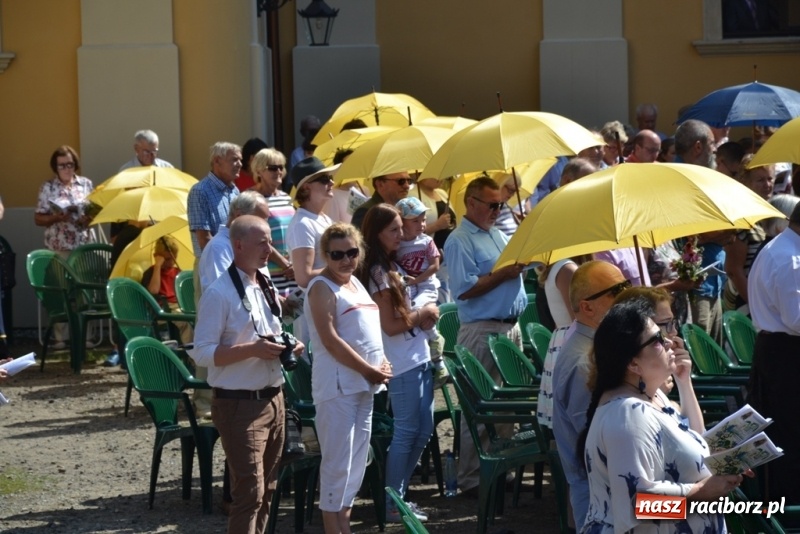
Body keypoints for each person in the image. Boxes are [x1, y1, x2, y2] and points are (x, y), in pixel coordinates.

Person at [579, 299, 743, 533]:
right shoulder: (628, 414)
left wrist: (684, 382)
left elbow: (696, 441)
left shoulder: (653, 398)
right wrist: (703, 491)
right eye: (657, 339)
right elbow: (640, 506)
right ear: (633, 363)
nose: (669, 341)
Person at [191, 214, 304, 534]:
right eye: (263, 242)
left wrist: (286, 344)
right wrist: (252, 350)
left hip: (274, 397)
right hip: (239, 404)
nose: (271, 248)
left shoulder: (263, 282)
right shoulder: (219, 292)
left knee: (268, 490)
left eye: (270, 240)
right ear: (238, 245)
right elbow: (202, 353)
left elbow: (267, 333)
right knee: (249, 494)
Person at [305, 223, 392, 534]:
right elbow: (329, 340)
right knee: (337, 464)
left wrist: (380, 364)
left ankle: (344, 527)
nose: (346, 259)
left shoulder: (355, 282)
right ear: (325, 256)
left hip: (364, 386)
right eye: (337, 254)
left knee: (356, 465)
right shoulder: (321, 287)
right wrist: (369, 369)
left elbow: (366, 334)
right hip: (338, 386)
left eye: (352, 252)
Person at [443, 176, 527, 497]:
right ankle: (472, 478)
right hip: (483, 328)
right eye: (491, 205)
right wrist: (504, 273)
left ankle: (497, 469)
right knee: (481, 407)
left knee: (504, 407)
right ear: (471, 203)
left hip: (507, 326)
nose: (496, 210)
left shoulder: (497, 233)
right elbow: (464, 290)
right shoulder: (459, 239)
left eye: (500, 205)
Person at [357, 203, 437, 523]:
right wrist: (423, 314)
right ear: (376, 234)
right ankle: (393, 504)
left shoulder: (389, 264)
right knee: (407, 432)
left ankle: (399, 499)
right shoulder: (377, 270)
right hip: (401, 360)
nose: (401, 235)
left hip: (416, 355)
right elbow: (390, 325)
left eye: (400, 228)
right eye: (393, 230)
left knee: (423, 430)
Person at [551, 260, 627, 530]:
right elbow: (596, 444)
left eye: (627, 285)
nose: (626, 297)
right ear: (587, 307)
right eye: (616, 291)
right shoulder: (584, 362)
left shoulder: (596, 348)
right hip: (602, 500)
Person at [748, 201, 800, 505]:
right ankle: (788, 511)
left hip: (780, 352)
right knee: (789, 439)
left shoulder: (783, 249)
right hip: (786, 356)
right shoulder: (789, 257)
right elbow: (796, 319)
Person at [34, 146, 95, 350]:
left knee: (84, 291)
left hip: (83, 245)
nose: (67, 169)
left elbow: (95, 213)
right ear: (55, 167)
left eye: (70, 164)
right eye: (62, 166)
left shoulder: (86, 184)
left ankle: (85, 335)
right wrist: (56, 217)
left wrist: (89, 218)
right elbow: (38, 218)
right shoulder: (48, 187)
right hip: (59, 245)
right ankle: (61, 338)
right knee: (61, 290)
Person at [286, 157, 338, 355]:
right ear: (306, 187)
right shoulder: (302, 224)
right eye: (324, 179)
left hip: (327, 302)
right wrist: (343, 267)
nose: (331, 182)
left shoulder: (323, 218)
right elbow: (304, 277)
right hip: (314, 309)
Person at [395, 197, 448, 386]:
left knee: (415, 313)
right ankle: (438, 363)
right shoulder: (397, 244)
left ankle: (435, 338)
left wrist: (416, 280)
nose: (421, 224)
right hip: (411, 287)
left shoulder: (426, 241)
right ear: (402, 223)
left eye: (423, 220)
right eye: (415, 221)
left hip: (427, 286)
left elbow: (435, 266)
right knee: (420, 321)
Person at [723, 156, 773, 315]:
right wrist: (757, 305)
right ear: (746, 183)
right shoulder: (743, 221)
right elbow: (734, 270)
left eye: (769, 178)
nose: (767, 185)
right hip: (747, 305)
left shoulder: (765, 217)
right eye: (760, 180)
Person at [250, 148, 297, 297]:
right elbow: (256, 238)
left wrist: (294, 264)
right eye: (272, 168)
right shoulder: (252, 199)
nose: (278, 171)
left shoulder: (286, 197)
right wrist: (284, 264)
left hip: (293, 271)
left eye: (281, 167)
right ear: (259, 171)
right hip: (270, 271)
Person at [187, 142, 242, 259]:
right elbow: (204, 239)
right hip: (212, 263)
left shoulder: (234, 191)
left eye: (240, 160)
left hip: (233, 261)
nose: (240, 164)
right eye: (234, 159)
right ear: (217, 161)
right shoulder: (200, 191)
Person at [141, 235, 193, 345]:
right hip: (163, 309)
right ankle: (191, 355)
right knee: (185, 322)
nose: (171, 263)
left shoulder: (177, 272)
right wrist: (157, 266)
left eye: (174, 258)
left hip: (180, 307)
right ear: (157, 257)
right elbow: (154, 291)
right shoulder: (151, 273)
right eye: (167, 259)